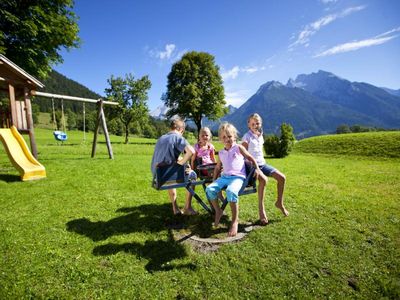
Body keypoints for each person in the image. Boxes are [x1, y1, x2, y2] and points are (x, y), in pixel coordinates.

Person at [206, 123, 262, 237]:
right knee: (209, 189)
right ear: (221, 139)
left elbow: (251, 158)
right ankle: (218, 210)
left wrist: (257, 169)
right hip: (224, 177)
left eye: (230, 136)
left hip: (238, 177)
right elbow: (217, 168)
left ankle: (235, 220)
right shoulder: (221, 153)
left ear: (234, 136)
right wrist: (213, 180)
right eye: (224, 137)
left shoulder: (238, 148)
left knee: (231, 191)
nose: (227, 139)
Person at [242, 113, 289, 225]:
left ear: (260, 124)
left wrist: (260, 165)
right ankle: (261, 210)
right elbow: (243, 155)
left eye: (257, 123)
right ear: (249, 124)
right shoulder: (246, 137)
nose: (255, 125)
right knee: (263, 180)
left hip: (263, 164)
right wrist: (252, 167)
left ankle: (279, 203)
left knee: (282, 178)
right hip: (252, 166)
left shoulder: (261, 135)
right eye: (253, 123)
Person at [151, 118, 198, 216]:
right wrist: (181, 163)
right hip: (168, 175)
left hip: (158, 176)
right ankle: (187, 208)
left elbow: (166, 157)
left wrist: (178, 161)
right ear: (181, 130)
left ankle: (175, 208)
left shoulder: (161, 138)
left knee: (171, 174)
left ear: (171, 127)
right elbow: (191, 151)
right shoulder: (178, 137)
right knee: (193, 175)